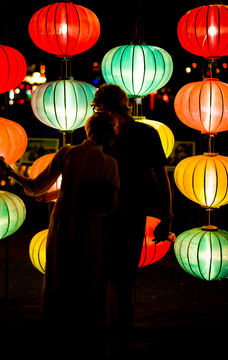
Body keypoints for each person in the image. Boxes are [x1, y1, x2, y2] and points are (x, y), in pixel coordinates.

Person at [0, 111, 120, 358]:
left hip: (62, 226)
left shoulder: (67, 153)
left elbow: (34, 187)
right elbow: (110, 208)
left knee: (59, 278)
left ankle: (58, 336)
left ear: (87, 129)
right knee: (88, 281)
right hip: (89, 229)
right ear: (110, 136)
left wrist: (8, 170)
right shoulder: (109, 164)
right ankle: (86, 339)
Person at [92, 83, 173, 356]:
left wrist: (168, 216)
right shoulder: (99, 134)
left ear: (118, 109)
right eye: (99, 110)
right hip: (100, 214)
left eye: (105, 110)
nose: (102, 114)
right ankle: (104, 340)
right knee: (103, 281)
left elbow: (162, 177)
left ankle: (121, 343)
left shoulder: (145, 133)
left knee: (124, 282)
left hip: (130, 214)